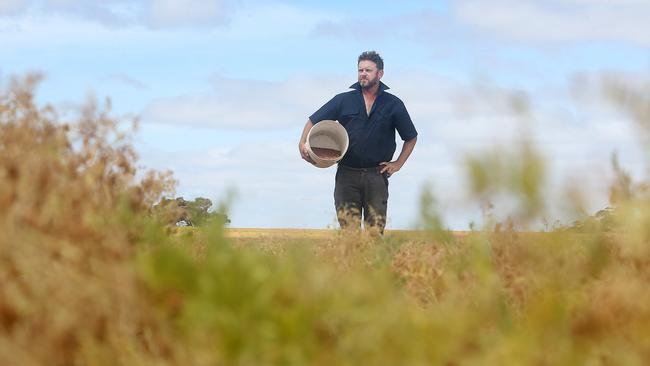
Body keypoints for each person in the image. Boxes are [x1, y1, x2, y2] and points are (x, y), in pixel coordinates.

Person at [298, 51, 418, 234]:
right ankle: (350, 263)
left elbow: (411, 137)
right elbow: (313, 121)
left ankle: (373, 263)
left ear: (380, 74)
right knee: (348, 232)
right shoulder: (343, 100)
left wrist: (398, 163)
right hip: (347, 174)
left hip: (377, 175)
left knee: (374, 232)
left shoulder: (394, 104)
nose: (363, 73)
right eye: (360, 70)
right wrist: (302, 142)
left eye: (368, 70)